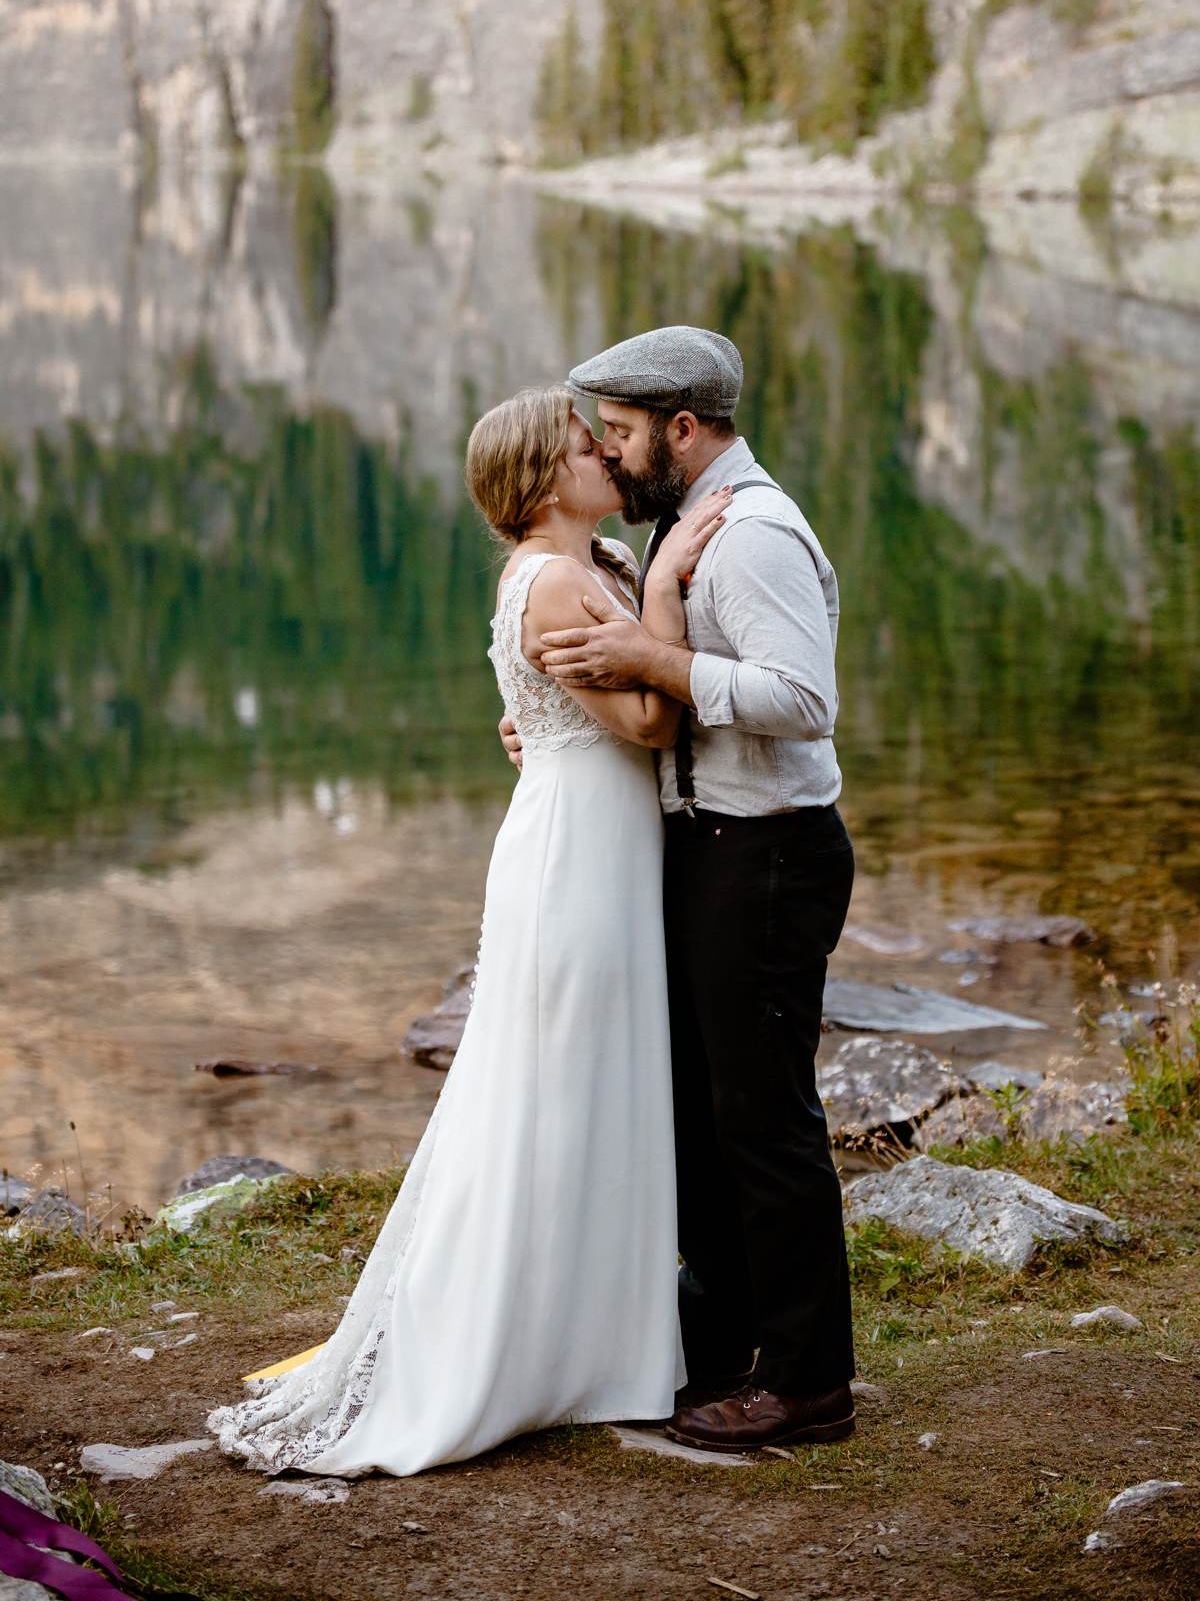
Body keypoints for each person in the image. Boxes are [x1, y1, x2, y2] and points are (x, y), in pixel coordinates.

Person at [206, 386, 728, 1477]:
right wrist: (672, 588)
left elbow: (594, 709)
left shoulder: (594, 570)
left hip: (606, 842)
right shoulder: (551, 582)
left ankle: (604, 1350)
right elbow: (647, 717)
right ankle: (516, 1350)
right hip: (574, 857)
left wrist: (643, 598)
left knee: (599, 1084)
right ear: (545, 479)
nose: (608, 460)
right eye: (589, 448)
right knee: (548, 1088)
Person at [501, 325, 857, 1451]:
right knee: (704, 1118)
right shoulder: (671, 529)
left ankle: (807, 1382)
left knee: (764, 1123)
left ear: (682, 429)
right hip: (706, 849)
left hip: (768, 856)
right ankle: (724, 1337)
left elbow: (802, 698)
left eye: (621, 433)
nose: (609, 453)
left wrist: (655, 665)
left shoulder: (750, 535)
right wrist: (553, 725)